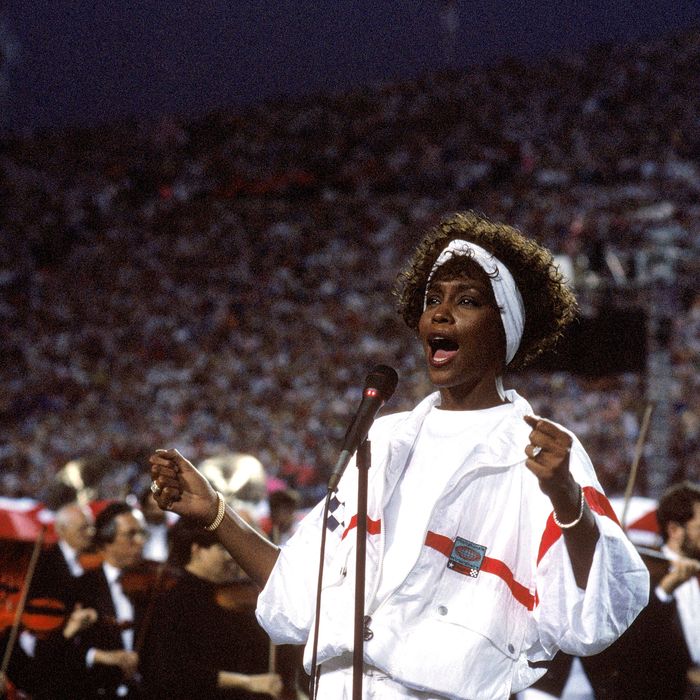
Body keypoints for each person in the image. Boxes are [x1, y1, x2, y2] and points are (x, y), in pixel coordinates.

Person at [149, 211, 649, 699]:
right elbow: (298, 591)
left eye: (468, 300)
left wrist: (565, 497)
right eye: (433, 299)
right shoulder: (383, 440)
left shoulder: (539, 448)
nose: (440, 312)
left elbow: (597, 613)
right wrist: (216, 512)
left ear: (507, 330)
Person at [139, 519, 284, 699]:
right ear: (197, 550)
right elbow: (175, 672)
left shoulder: (231, 596)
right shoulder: (174, 603)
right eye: (223, 549)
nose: (231, 556)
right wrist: (247, 682)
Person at [61, 501, 149, 699]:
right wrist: (99, 656)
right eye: (131, 534)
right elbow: (62, 649)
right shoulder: (80, 587)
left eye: (143, 533)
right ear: (107, 540)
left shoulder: (153, 586)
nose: (141, 541)